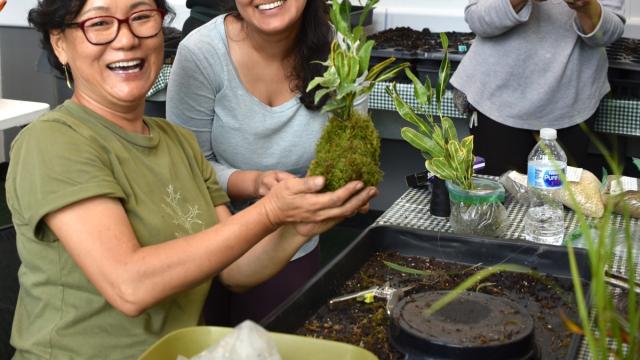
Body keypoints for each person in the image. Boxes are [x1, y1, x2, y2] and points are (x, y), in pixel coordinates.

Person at [9, 0, 377, 358]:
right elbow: (129, 285)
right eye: (100, 23)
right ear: (60, 43)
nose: (126, 39)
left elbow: (235, 270)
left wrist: (301, 224)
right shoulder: (54, 141)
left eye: (141, 17)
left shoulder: (178, 144)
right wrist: (271, 212)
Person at [166, 0, 334, 325]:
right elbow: (186, 167)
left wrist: (314, 196)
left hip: (289, 242)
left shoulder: (340, 52)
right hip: (205, 240)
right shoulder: (202, 53)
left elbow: (348, 153)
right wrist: (255, 182)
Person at [450, 0, 625, 176]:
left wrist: (586, 6)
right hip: (496, 102)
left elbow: (608, 35)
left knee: (559, 199)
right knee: (496, 197)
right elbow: (478, 20)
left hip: (571, 103)